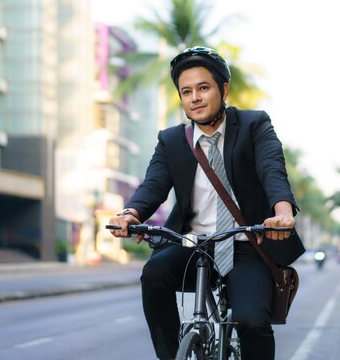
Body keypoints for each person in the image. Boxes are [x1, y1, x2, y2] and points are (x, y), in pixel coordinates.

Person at [109, 46, 305, 360]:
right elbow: (154, 184)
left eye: (203, 88)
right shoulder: (172, 140)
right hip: (192, 244)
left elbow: (272, 169)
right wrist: (129, 213)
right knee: (153, 275)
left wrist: (281, 212)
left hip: (245, 245)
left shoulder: (254, 126)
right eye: (186, 91)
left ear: (223, 90)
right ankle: (172, 355)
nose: (195, 97)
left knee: (253, 322)